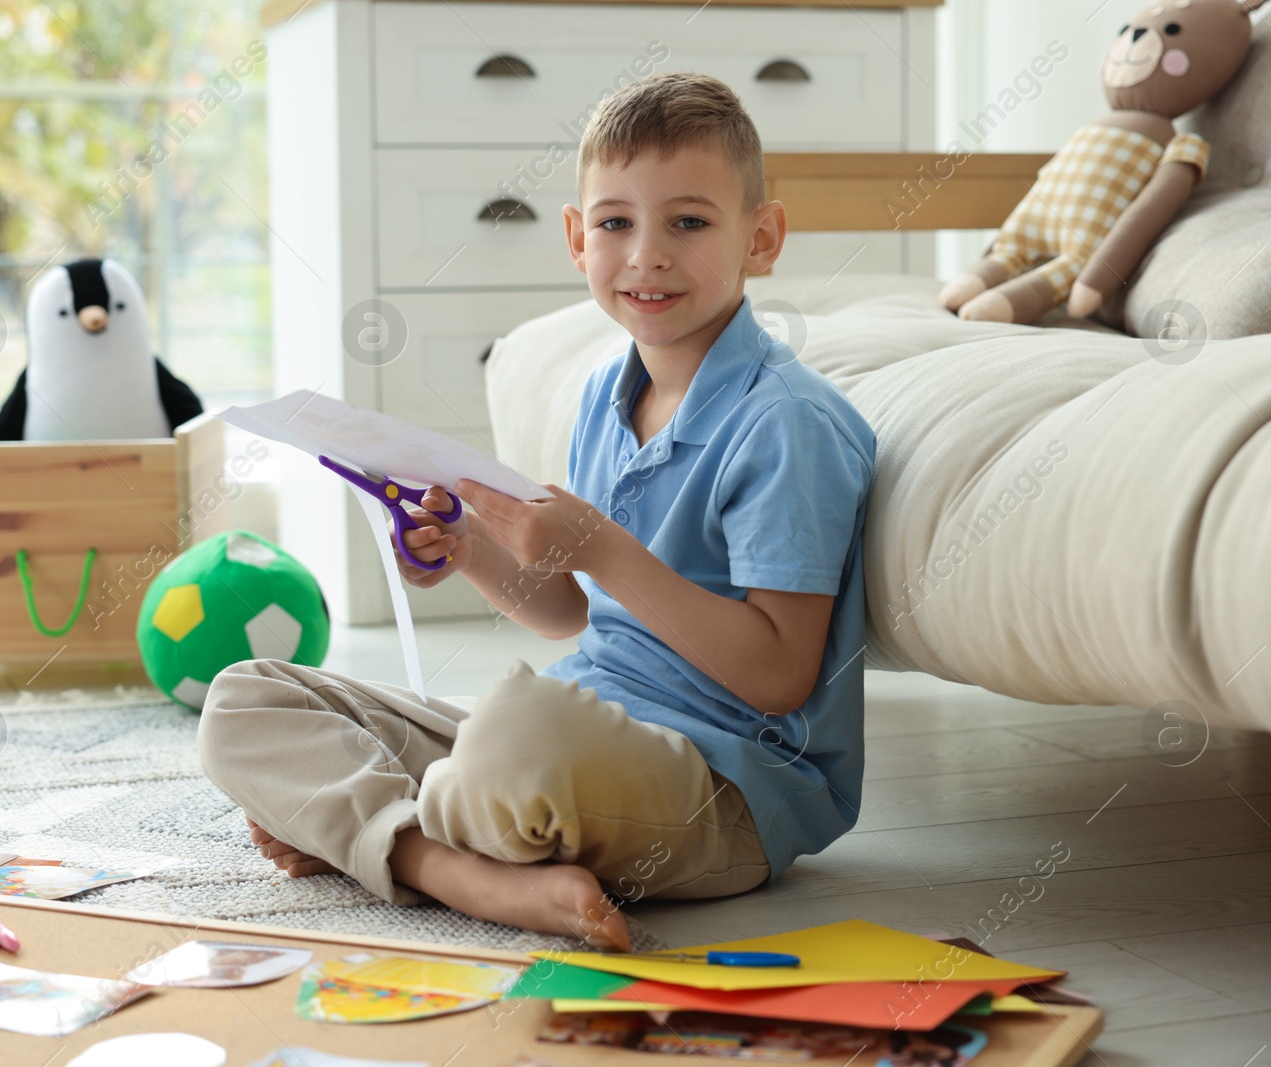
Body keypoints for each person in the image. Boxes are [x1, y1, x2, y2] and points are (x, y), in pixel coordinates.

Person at [198, 70, 876, 951]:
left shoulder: (785, 424)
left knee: (513, 736)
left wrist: (600, 545)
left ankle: (371, 833)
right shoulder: (607, 392)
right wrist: (474, 546)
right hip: (585, 724)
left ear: (763, 236)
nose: (647, 254)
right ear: (575, 237)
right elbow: (566, 613)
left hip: (727, 785)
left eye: (690, 222)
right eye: (615, 223)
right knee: (247, 699)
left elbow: (781, 676)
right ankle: (447, 865)